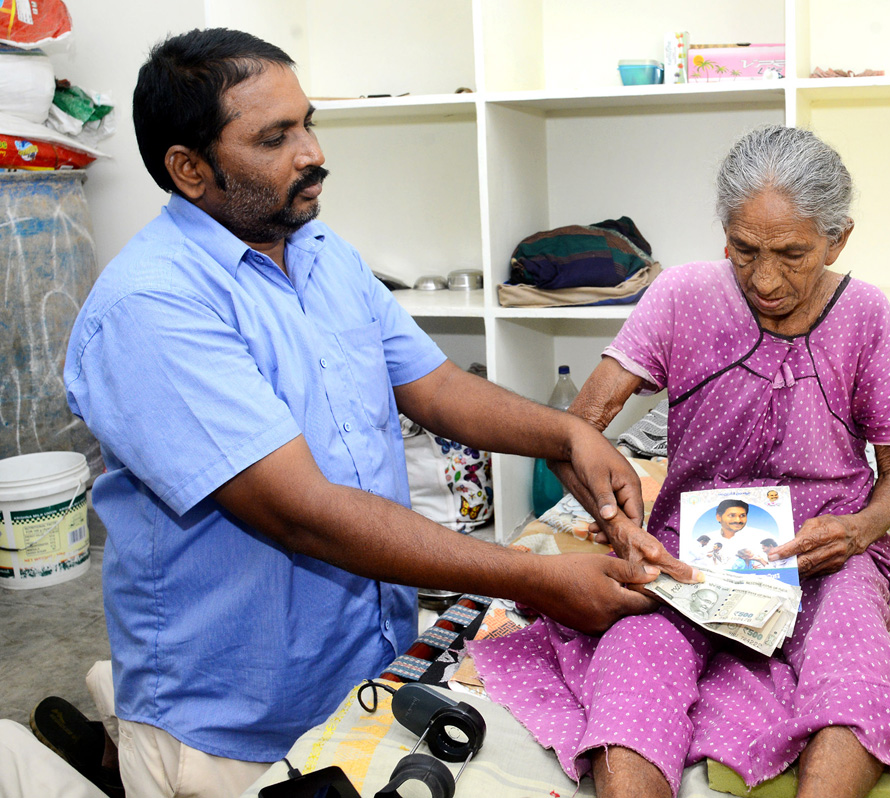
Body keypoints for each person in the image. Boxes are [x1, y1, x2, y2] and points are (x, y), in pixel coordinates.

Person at [61, 28, 693, 798]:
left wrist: (565, 432)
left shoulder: (318, 250)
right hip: (232, 721)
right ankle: (103, 752)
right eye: (275, 138)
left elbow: (433, 387)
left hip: (361, 671)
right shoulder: (151, 308)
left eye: (308, 122)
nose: (312, 153)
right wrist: (534, 579)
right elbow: (305, 515)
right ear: (189, 170)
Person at [469, 125, 890, 798]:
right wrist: (611, 517)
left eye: (793, 254)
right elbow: (577, 432)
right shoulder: (682, 297)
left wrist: (856, 532)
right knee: (632, 660)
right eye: (745, 250)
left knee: (856, 661)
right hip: (687, 551)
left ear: (839, 239)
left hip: (825, 549)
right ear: (724, 235)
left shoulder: (864, 315)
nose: (766, 279)